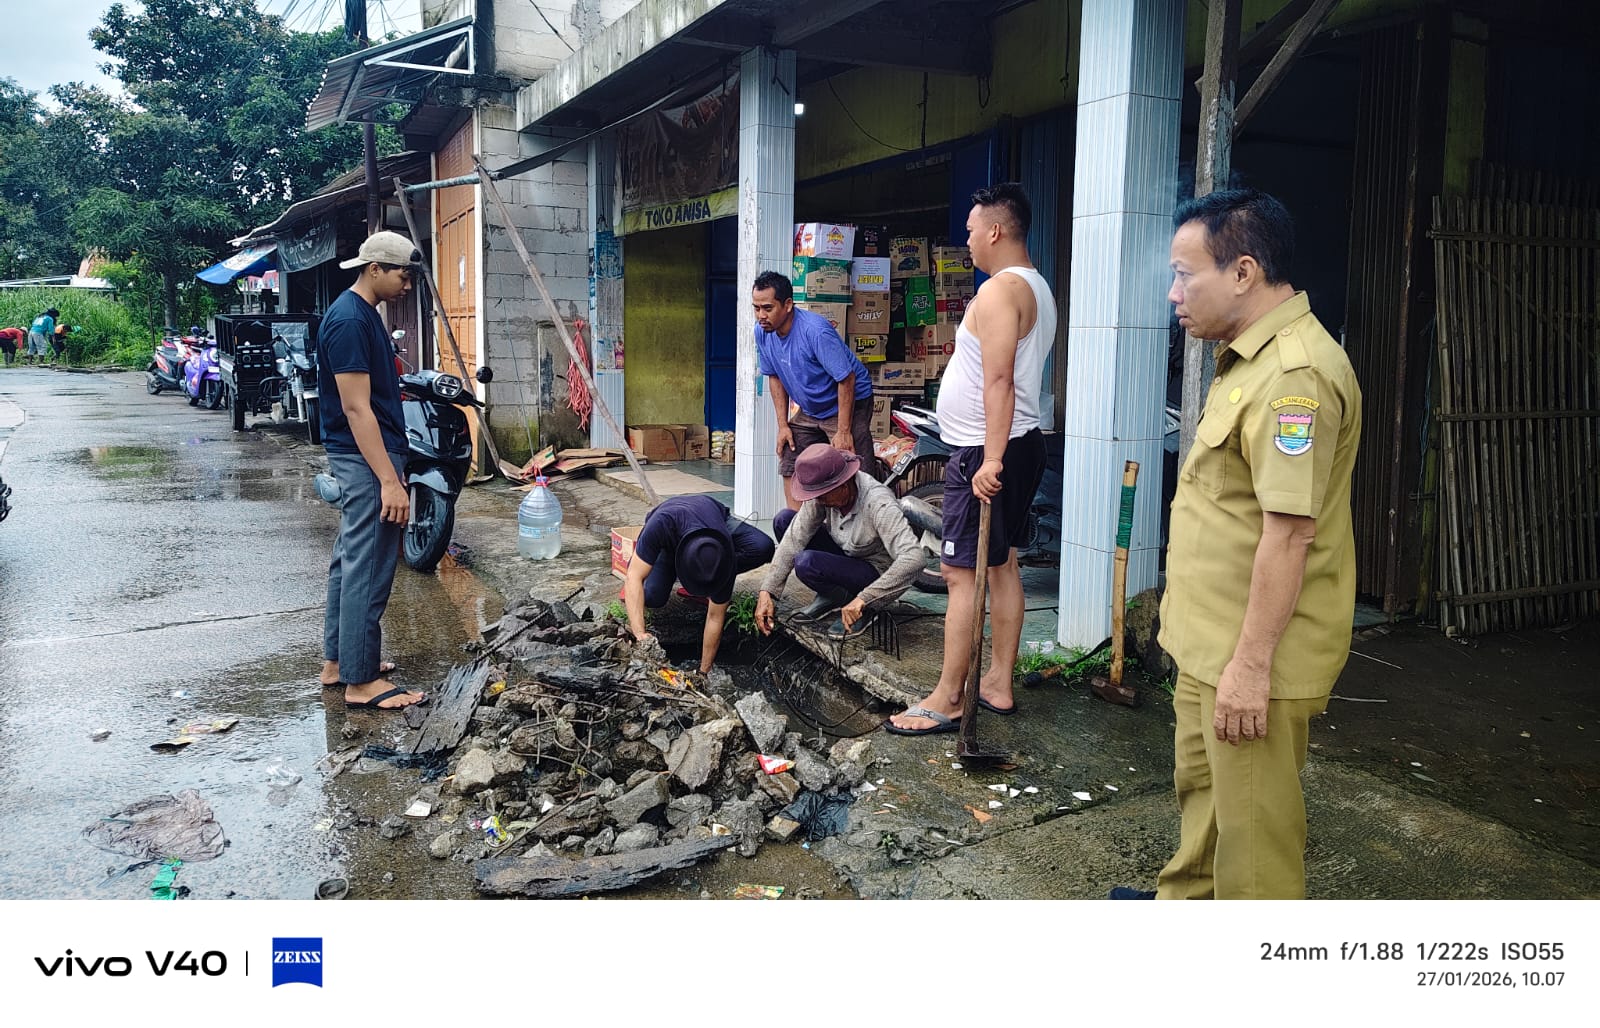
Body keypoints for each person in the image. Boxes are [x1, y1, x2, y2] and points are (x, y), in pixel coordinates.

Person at [1117, 189, 1362, 901]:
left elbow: (1289, 535)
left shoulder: (1295, 376)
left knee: (1254, 849)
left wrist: (1251, 669)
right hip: (1209, 645)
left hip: (1253, 657)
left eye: (1185, 275)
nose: (1173, 293)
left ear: (1244, 272)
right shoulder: (1243, 359)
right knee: (1206, 812)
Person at [888, 183, 1056, 736]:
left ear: (995, 230)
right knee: (1002, 562)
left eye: (969, 229)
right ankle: (998, 683)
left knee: (960, 576)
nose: (966, 239)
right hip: (1020, 441)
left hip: (986, 451)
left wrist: (990, 458)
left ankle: (948, 698)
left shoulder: (999, 293)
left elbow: (1000, 380)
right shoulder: (1037, 288)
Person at [315, 231, 427, 711]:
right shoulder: (349, 322)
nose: (407, 285)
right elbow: (357, 409)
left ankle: (341, 663)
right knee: (370, 562)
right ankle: (361, 683)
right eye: (403, 275)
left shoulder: (361, 315)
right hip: (365, 458)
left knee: (349, 558)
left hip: (365, 455)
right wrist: (388, 480)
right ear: (375, 269)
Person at [754, 443, 923, 636]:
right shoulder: (823, 497)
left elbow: (914, 558)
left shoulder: (878, 503)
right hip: (846, 555)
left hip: (873, 571)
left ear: (843, 485)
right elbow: (794, 538)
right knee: (784, 521)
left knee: (806, 562)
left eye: (823, 496)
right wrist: (767, 591)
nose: (817, 501)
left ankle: (863, 609)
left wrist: (867, 598)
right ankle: (833, 597)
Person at [753, 270, 875, 510]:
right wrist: (783, 426)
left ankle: (864, 528)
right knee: (791, 454)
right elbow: (774, 376)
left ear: (788, 305)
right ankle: (795, 527)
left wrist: (843, 430)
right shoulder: (763, 333)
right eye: (756, 308)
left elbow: (846, 378)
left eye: (767, 308)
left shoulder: (815, 331)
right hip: (811, 408)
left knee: (854, 467)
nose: (761, 316)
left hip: (847, 401)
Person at [623, 494, 775, 673]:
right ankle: (645, 567)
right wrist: (639, 633)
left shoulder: (723, 559)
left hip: (712, 518)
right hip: (668, 538)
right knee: (653, 596)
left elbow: (715, 617)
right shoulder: (660, 524)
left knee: (762, 546)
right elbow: (633, 577)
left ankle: (702, 585)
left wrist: (703, 672)